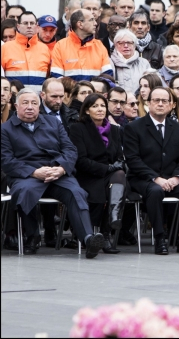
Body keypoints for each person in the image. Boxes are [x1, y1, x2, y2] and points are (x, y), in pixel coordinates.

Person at [1, 88, 105, 257]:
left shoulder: (53, 123)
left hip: (57, 172)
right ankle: (32, 236)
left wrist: (62, 168)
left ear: (39, 105)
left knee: (76, 192)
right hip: (27, 175)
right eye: (25, 103)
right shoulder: (5, 129)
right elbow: (6, 161)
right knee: (24, 191)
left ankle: (88, 239)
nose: (30, 107)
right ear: (16, 106)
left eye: (34, 103)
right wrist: (35, 172)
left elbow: (70, 149)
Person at [123, 86, 179, 256]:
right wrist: (154, 178)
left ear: (171, 105)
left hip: (171, 178)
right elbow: (133, 160)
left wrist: (177, 177)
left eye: (164, 101)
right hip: (143, 179)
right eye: (156, 100)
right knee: (156, 191)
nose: (160, 104)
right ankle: (160, 238)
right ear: (148, 104)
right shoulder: (134, 128)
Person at [69, 94, 127, 254]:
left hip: (110, 174)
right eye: (95, 106)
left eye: (102, 105)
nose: (100, 109)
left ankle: (107, 231)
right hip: (87, 174)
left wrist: (118, 164)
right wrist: (106, 168)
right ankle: (98, 232)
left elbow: (119, 156)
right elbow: (80, 160)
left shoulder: (114, 130)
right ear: (87, 110)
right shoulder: (77, 128)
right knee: (108, 186)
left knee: (120, 175)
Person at [51, 9, 113, 81]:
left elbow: (108, 75)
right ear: (80, 24)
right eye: (91, 20)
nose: (95, 23)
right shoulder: (60, 46)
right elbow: (56, 77)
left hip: (95, 92)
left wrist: (93, 89)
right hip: (70, 92)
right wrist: (75, 89)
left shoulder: (99, 46)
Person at [1, 11, 51, 92]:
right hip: (13, 100)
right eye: (25, 23)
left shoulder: (45, 49)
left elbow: (48, 76)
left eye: (32, 23)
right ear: (18, 26)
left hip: (37, 100)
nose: (29, 26)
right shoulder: (5, 48)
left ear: (37, 26)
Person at [110, 29, 151, 93]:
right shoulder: (109, 62)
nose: (126, 46)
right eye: (121, 43)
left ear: (135, 45)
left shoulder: (144, 63)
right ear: (115, 45)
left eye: (129, 43)